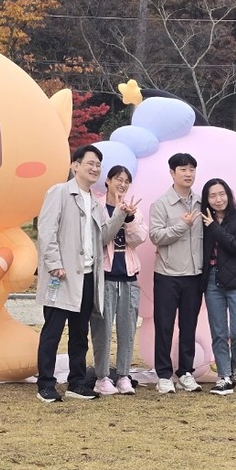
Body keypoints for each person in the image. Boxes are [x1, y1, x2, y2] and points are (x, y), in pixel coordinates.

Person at [35, 144, 126, 403]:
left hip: (87, 276)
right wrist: (54, 263)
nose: (95, 168)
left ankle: (76, 383)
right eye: (90, 163)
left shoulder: (95, 202)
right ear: (75, 165)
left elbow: (104, 237)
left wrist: (119, 214)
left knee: (80, 332)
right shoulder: (60, 192)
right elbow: (47, 231)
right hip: (61, 276)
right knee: (52, 331)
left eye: (98, 164)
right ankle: (46, 384)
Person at [148, 152, 204, 394]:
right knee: (165, 326)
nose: (188, 173)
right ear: (172, 173)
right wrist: (183, 225)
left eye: (191, 169)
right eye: (183, 169)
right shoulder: (160, 204)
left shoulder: (202, 203)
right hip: (168, 275)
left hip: (195, 275)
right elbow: (156, 236)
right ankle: (163, 374)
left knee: (189, 326)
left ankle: (186, 372)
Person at [91, 164, 144, 396]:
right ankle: (102, 377)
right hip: (105, 275)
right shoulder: (98, 206)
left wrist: (130, 217)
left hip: (129, 275)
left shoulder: (134, 207)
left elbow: (139, 238)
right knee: (102, 328)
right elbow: (102, 238)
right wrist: (119, 214)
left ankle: (123, 375)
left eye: (126, 181)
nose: (122, 184)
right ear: (108, 181)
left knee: (127, 328)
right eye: (118, 179)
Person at [201, 178, 236, 396]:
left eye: (221, 194)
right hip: (212, 280)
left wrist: (213, 226)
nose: (218, 199)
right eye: (212, 195)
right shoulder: (201, 221)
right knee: (218, 332)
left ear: (228, 195)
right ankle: (223, 377)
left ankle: (235, 366)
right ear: (206, 199)